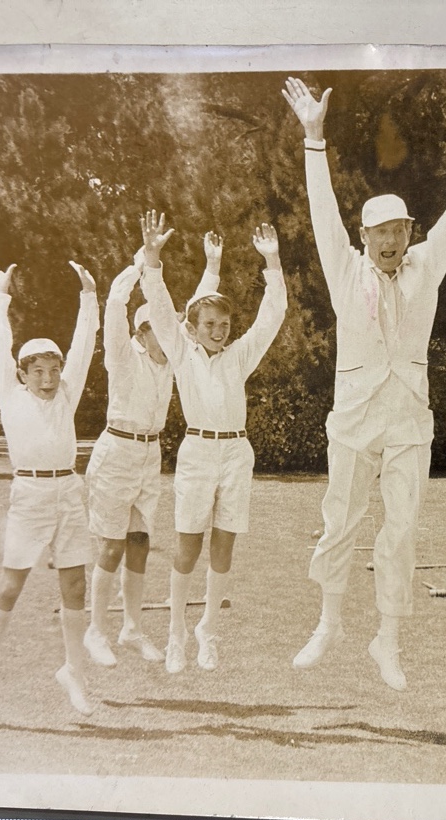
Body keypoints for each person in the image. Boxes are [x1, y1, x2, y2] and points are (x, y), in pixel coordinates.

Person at [282, 75, 446, 691]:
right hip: (353, 419)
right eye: (380, 233)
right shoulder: (345, 269)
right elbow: (321, 212)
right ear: (364, 238)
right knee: (339, 521)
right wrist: (314, 139)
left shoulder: (426, 264)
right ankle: (329, 621)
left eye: (400, 230)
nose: (392, 241)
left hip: (407, 421)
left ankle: (388, 642)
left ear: (409, 232)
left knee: (401, 530)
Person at [138, 211, 287, 674]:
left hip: (236, 454)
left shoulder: (238, 355)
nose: (219, 330)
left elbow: (273, 314)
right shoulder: (180, 351)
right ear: (193, 325)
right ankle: (176, 633)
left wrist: (273, 261)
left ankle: (207, 630)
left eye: (224, 323)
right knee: (187, 548)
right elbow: (159, 304)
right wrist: (153, 256)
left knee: (223, 547)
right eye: (210, 324)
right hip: (198, 453)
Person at [0, 260, 100, 716]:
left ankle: (75, 674)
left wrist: (88, 297)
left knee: (75, 587)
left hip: (69, 493)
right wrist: (0, 295)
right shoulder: (9, 391)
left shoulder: (66, 393)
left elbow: (84, 347)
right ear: (22, 373)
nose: (47, 378)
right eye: (37, 371)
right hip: (28, 497)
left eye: (52, 370)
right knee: (9, 586)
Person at [82, 235, 222, 668]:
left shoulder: (176, 358)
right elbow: (115, 305)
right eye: (158, 329)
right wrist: (142, 264)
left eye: (170, 328)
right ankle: (96, 630)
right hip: (116, 452)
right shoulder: (122, 356)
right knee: (110, 546)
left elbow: (199, 305)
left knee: (139, 541)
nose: (168, 334)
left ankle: (131, 628)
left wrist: (212, 263)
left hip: (149, 455)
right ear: (141, 334)